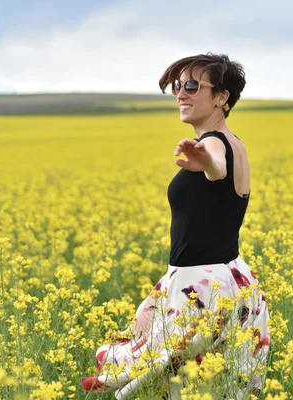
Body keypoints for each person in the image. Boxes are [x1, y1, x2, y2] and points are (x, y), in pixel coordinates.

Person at [80, 53, 270, 399]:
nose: (181, 93)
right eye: (177, 86)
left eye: (194, 85)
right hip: (229, 280)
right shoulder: (235, 143)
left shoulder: (214, 143)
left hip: (202, 289)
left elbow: (218, 166)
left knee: (163, 382)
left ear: (222, 96)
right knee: (212, 387)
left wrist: (206, 161)